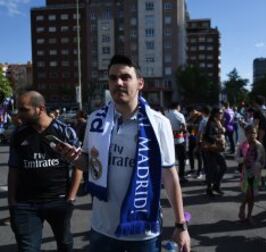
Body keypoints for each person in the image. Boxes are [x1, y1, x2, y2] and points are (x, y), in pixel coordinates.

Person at [54, 55, 191, 252]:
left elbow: (169, 176)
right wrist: (74, 158)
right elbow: (90, 165)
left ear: (140, 83)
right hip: (102, 229)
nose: (118, 82)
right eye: (113, 78)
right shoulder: (95, 120)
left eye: (126, 77)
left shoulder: (159, 123)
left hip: (143, 231)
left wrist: (180, 225)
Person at [8, 90, 83, 251]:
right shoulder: (18, 135)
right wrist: (12, 202)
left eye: (24, 109)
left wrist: (71, 198)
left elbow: (79, 165)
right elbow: (13, 169)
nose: (19, 114)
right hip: (26, 204)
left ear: (40, 108)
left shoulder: (64, 131)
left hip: (59, 200)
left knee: (65, 243)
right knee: (28, 248)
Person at [238, 125, 265, 224]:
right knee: (249, 193)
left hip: (256, 174)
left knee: (252, 196)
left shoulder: (260, 146)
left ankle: (249, 215)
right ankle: (242, 207)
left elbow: (263, 160)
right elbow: (237, 157)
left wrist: (260, 166)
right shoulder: (242, 145)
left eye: (254, 133)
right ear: (246, 134)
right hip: (245, 173)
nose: (252, 135)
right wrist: (243, 160)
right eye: (250, 133)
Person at [202, 107, 227, 197]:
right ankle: (209, 188)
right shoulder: (210, 122)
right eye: (220, 113)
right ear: (215, 113)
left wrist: (222, 131)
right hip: (211, 149)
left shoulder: (218, 122)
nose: (221, 114)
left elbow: (220, 132)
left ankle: (216, 185)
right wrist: (217, 138)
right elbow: (207, 136)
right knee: (211, 170)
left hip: (217, 149)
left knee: (223, 167)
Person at [166, 102, 188, 184]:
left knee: (171, 159)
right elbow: (184, 128)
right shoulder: (179, 115)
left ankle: (170, 177)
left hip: (169, 140)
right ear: (177, 107)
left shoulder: (165, 114)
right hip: (179, 140)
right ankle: (181, 176)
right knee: (182, 159)